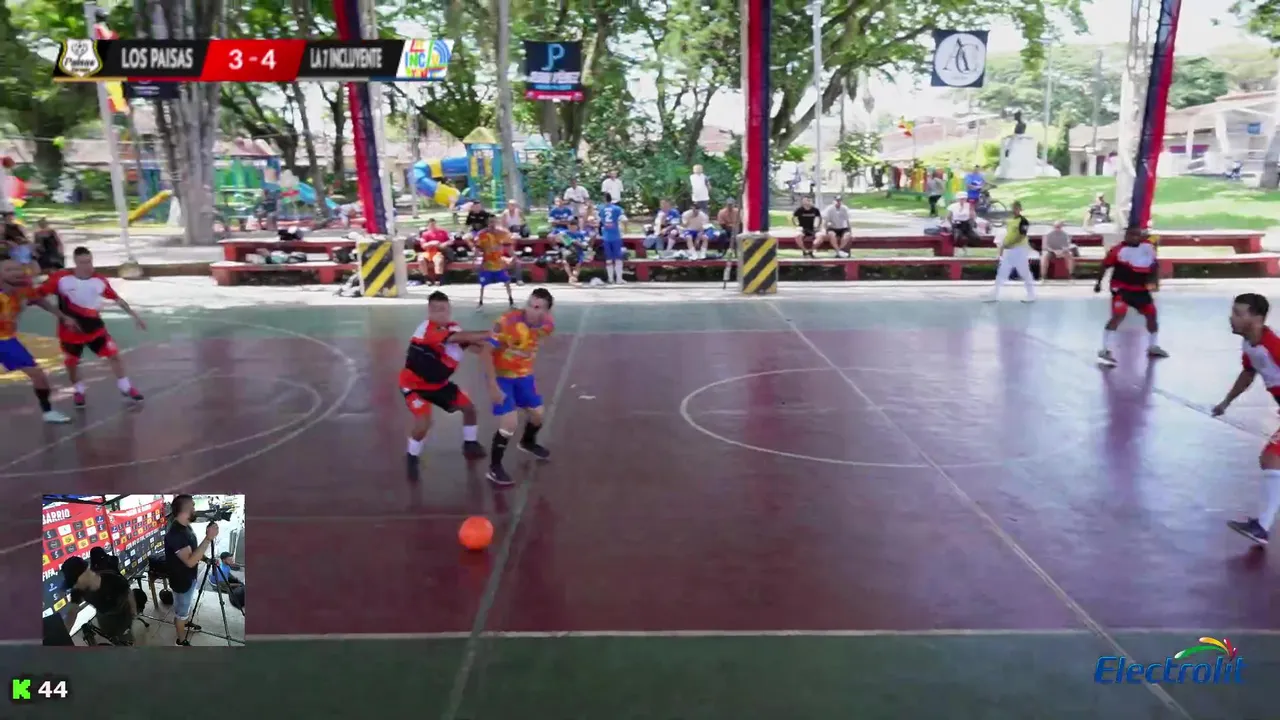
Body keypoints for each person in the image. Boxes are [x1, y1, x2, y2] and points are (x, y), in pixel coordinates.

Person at [400, 291, 491, 480]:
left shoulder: (452, 328)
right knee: (424, 423)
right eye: (437, 310)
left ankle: (470, 444)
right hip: (414, 386)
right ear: (429, 311)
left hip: (439, 385)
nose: (442, 314)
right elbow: (458, 338)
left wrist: (491, 345)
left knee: (469, 409)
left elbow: (472, 345)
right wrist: (491, 334)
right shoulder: (428, 331)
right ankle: (411, 456)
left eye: (445, 310)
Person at [39, 247, 146, 408]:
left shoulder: (99, 281)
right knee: (72, 364)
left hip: (95, 329)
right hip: (70, 332)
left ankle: (125, 387)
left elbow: (117, 299)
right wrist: (61, 316)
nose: (87, 266)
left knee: (114, 355)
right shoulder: (61, 279)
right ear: (75, 262)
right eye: (83, 262)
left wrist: (135, 316)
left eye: (89, 261)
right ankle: (79, 391)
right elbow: (37, 297)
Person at [1213, 293, 1280, 546]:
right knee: (1271, 459)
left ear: (1257, 318)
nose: (1232, 318)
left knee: (1272, 458)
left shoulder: (1273, 345)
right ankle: (1262, 526)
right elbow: (1248, 373)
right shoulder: (1249, 344)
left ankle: (1262, 527)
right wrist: (1226, 402)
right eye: (1234, 312)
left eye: (1239, 313)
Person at [482, 288, 555, 486]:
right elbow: (486, 351)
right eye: (530, 304)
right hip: (502, 377)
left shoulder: (548, 325)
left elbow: (534, 340)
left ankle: (527, 442)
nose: (531, 310)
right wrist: (492, 385)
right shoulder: (506, 322)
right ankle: (494, 468)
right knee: (509, 423)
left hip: (524, 377)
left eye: (538, 307)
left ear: (546, 312)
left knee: (538, 415)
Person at [0, 259, 75, 422]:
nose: (15, 272)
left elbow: (39, 300)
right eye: (8, 270)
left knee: (38, 375)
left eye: (17, 269)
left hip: (6, 341)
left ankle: (48, 412)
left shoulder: (23, 289)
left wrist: (62, 316)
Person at [1094, 229, 1167, 366]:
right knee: (1118, 315)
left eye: (1137, 235)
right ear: (1126, 236)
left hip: (1140, 289)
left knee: (1152, 315)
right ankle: (1105, 349)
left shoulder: (1147, 248)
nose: (1134, 238)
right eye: (1131, 235)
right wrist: (1098, 283)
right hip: (1121, 288)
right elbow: (1105, 265)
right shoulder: (1118, 250)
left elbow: (1154, 265)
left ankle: (1153, 346)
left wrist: (1154, 282)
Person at [165, 495, 217, 646]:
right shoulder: (175, 534)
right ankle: (181, 641)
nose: (195, 509)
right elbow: (190, 561)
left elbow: (193, 551)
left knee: (186, 608)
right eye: (193, 506)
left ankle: (185, 622)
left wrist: (206, 559)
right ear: (185, 510)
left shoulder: (186, 526)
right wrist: (208, 538)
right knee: (181, 613)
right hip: (181, 581)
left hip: (189, 578)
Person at [60, 554, 136, 645]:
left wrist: (133, 610)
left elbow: (128, 592)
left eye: (75, 581)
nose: (74, 586)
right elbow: (72, 612)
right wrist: (62, 636)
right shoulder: (78, 589)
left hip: (122, 616)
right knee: (111, 637)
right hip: (103, 617)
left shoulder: (112, 579)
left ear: (85, 573)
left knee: (126, 642)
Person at [986, 201, 1035, 303]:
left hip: (1019, 250)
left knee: (1024, 272)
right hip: (1009, 250)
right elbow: (1009, 234)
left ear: (1020, 209)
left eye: (1016, 208)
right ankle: (994, 294)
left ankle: (1031, 294)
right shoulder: (1011, 221)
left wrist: (1010, 243)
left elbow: (1021, 236)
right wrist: (1005, 245)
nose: (1014, 210)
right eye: (1013, 208)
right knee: (1002, 271)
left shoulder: (1023, 221)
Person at [469, 216, 515, 309]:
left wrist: (514, 257)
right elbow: (477, 248)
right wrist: (474, 260)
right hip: (487, 264)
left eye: (494, 222)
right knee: (482, 284)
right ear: (487, 223)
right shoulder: (482, 234)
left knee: (507, 281)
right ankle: (480, 302)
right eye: (490, 222)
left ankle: (511, 300)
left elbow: (509, 246)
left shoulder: (502, 233)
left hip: (499, 263)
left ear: (497, 222)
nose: (492, 224)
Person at [599, 196, 628, 283]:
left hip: (606, 236)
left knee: (608, 258)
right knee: (618, 257)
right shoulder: (617, 208)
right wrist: (625, 229)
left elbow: (598, 220)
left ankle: (610, 279)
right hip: (616, 235)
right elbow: (624, 219)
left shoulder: (601, 209)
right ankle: (619, 278)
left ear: (604, 199)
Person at [417, 218, 450, 286]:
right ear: (428, 226)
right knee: (421, 259)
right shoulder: (425, 234)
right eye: (431, 224)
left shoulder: (443, 232)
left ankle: (438, 279)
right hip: (428, 252)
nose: (433, 226)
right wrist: (431, 243)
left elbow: (450, 241)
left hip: (438, 252)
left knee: (438, 260)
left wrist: (444, 244)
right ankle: (427, 278)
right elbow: (423, 245)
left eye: (434, 224)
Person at [558, 219, 589, 284]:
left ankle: (574, 277)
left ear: (577, 226)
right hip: (568, 251)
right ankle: (570, 276)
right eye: (570, 227)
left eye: (573, 227)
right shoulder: (564, 233)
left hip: (579, 251)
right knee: (565, 262)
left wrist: (578, 243)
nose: (572, 228)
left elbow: (585, 245)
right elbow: (559, 239)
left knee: (578, 264)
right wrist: (570, 241)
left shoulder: (581, 234)